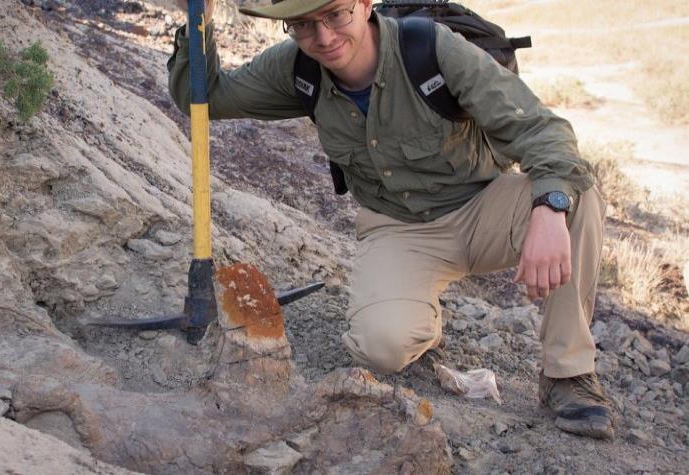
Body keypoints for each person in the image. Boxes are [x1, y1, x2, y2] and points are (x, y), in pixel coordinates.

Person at [168, 0, 614, 439]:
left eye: (335, 15)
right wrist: (199, 23)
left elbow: (541, 130)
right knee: (381, 348)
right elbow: (203, 97)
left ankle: (569, 373)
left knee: (577, 196)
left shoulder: (433, 50)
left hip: (485, 208)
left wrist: (550, 208)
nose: (323, 36)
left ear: (365, 4)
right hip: (398, 227)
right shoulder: (298, 67)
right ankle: (420, 326)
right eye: (302, 24)